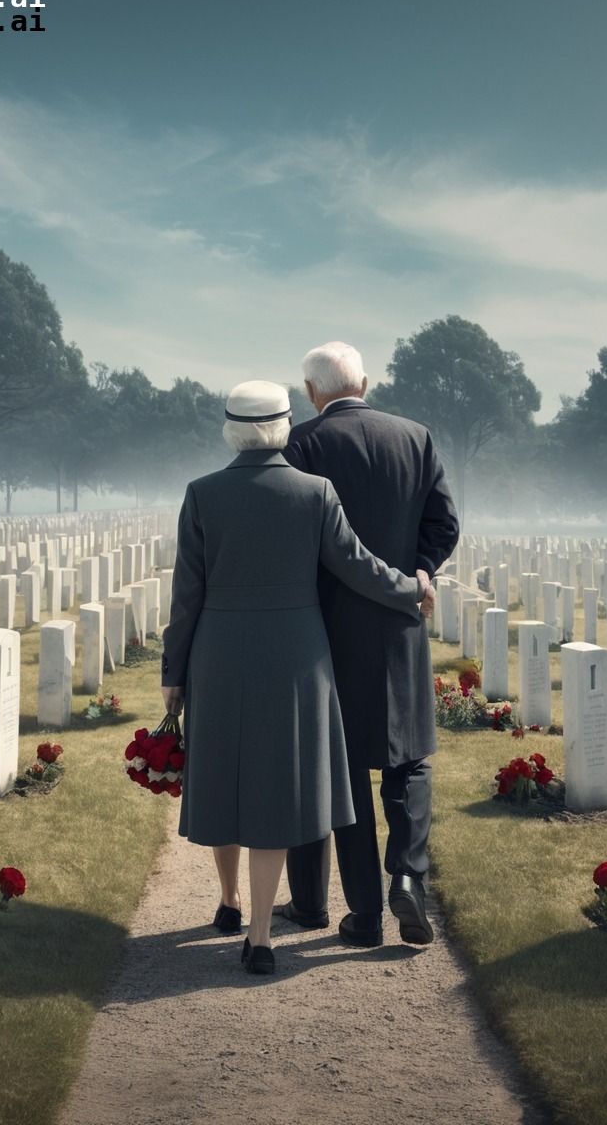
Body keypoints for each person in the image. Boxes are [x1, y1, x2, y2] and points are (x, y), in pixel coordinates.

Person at [160, 380, 435, 975]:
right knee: (278, 789)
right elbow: (359, 567)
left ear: (231, 430)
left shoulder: (202, 494)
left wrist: (172, 672)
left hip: (218, 650)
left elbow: (188, 593)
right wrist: (412, 588)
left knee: (230, 776)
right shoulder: (315, 493)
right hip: (296, 654)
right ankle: (260, 935)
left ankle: (230, 902)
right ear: (286, 426)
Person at [280, 342, 459, 948]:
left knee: (346, 769)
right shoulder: (415, 436)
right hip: (403, 617)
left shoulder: (302, 444)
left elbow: (299, 536)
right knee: (410, 759)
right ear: (364, 379)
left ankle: (362, 916)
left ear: (311, 392)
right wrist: (421, 571)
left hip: (329, 626)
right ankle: (408, 876)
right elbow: (444, 522)